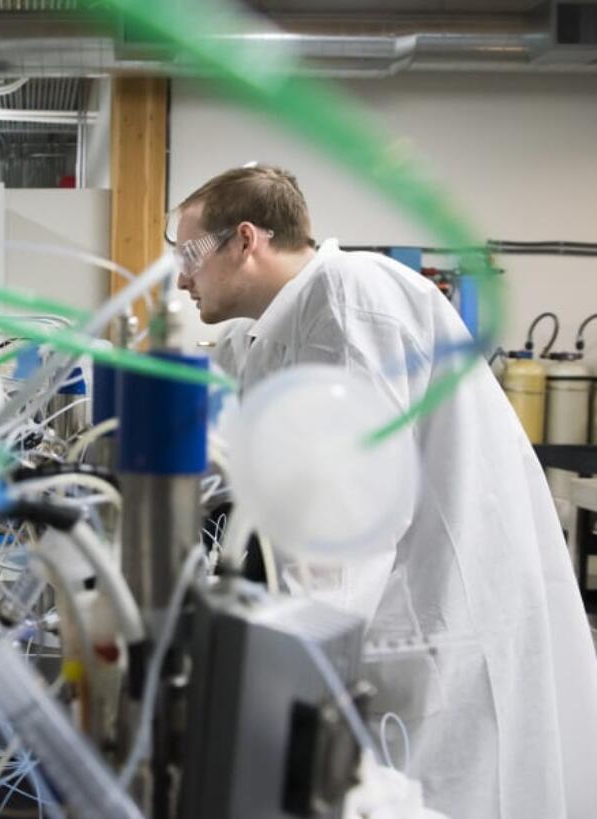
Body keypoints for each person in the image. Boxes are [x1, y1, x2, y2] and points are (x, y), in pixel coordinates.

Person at [173, 165, 597, 818]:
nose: (180, 278)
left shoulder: (348, 299)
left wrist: (280, 670)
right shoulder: (278, 328)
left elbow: (349, 517)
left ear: (246, 239)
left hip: (442, 613)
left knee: (444, 789)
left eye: (190, 254)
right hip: (395, 618)